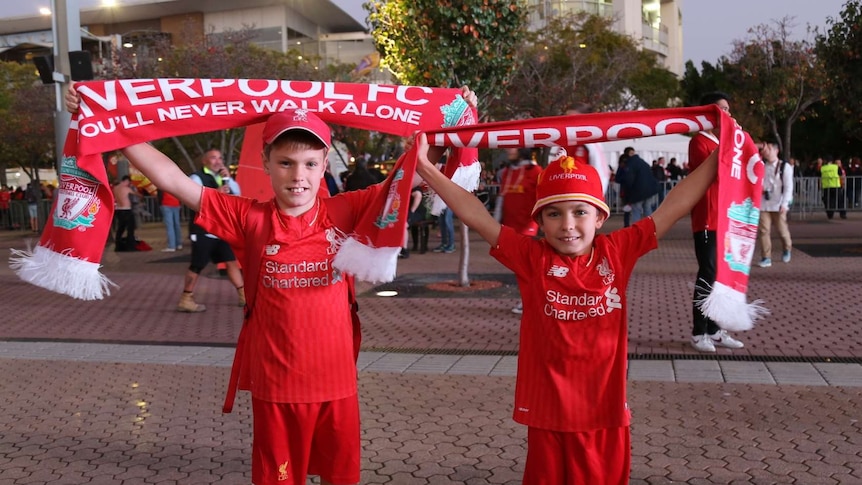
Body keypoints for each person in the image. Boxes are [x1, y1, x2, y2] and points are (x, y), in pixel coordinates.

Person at [66, 83, 471, 485]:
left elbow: (412, 174)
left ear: (325, 162)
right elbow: (171, 179)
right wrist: (107, 122)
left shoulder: (346, 209)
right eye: (286, 163)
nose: (299, 177)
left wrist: (454, 115)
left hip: (337, 383)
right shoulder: (249, 217)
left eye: (311, 164)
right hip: (277, 386)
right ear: (266, 162)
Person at [415, 125, 722, 485]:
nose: (568, 225)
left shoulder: (617, 251)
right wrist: (425, 168)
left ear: (600, 217)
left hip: (604, 414)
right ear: (540, 221)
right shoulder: (531, 257)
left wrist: (719, 158)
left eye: (580, 212)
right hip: (549, 416)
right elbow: (476, 215)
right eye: (554, 214)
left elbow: (676, 204)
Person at [688, 92, 744, 352]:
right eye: (722, 109)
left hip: (724, 220)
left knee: (720, 278)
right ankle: (699, 332)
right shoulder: (699, 142)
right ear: (709, 113)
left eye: (728, 109)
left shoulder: (723, 141)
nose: (728, 114)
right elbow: (713, 174)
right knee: (708, 275)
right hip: (707, 219)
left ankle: (715, 329)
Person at [175, 147, 245, 312]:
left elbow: (238, 195)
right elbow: (195, 198)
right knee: (197, 265)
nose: (218, 161)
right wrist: (216, 193)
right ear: (205, 161)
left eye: (219, 158)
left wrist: (228, 180)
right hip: (203, 230)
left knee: (231, 262)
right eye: (213, 158)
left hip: (222, 229)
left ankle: (244, 296)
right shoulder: (196, 177)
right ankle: (186, 298)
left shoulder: (223, 177)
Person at [496, 147, 542, 313]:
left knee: (525, 266)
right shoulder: (507, 172)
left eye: (513, 148)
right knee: (518, 266)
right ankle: (531, 299)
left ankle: (529, 301)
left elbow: (542, 198)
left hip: (528, 226)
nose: (509, 151)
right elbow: (502, 199)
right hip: (510, 226)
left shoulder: (536, 171)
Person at [756, 140, 793, 267]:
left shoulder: (784, 167)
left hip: (778, 204)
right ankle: (766, 257)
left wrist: (785, 203)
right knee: (763, 231)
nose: (767, 152)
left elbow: (788, 187)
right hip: (764, 203)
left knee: (782, 230)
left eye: (770, 149)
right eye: (766, 150)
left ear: (776, 151)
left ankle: (787, 248)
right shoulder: (762, 166)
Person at [615, 147, 659, 225]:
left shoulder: (630, 164)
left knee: (636, 212)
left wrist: (628, 196)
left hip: (637, 192)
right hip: (649, 191)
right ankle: (650, 229)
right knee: (648, 210)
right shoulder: (642, 162)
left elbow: (628, 180)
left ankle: (637, 232)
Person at [112, 175, 137, 251]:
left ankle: (118, 246)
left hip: (118, 209)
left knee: (120, 228)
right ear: (127, 181)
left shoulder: (115, 188)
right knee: (130, 229)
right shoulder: (126, 189)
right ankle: (130, 246)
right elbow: (137, 194)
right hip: (127, 209)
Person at [159, 187, 183, 252]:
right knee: (177, 225)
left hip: (166, 203)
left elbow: (160, 194)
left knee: (170, 226)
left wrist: (160, 203)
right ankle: (178, 244)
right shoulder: (176, 183)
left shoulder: (163, 183)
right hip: (176, 203)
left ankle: (171, 245)